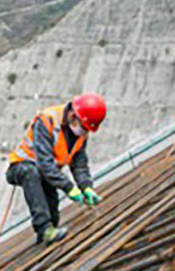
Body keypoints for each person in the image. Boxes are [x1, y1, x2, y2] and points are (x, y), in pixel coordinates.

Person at [6, 93, 106, 244]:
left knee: (53, 217)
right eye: (83, 128)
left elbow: (79, 165)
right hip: (22, 166)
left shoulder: (80, 132)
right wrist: (69, 187)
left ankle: (48, 230)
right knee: (31, 173)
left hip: (46, 173)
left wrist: (86, 187)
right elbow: (45, 163)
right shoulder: (47, 120)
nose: (84, 133)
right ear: (73, 116)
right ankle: (44, 228)